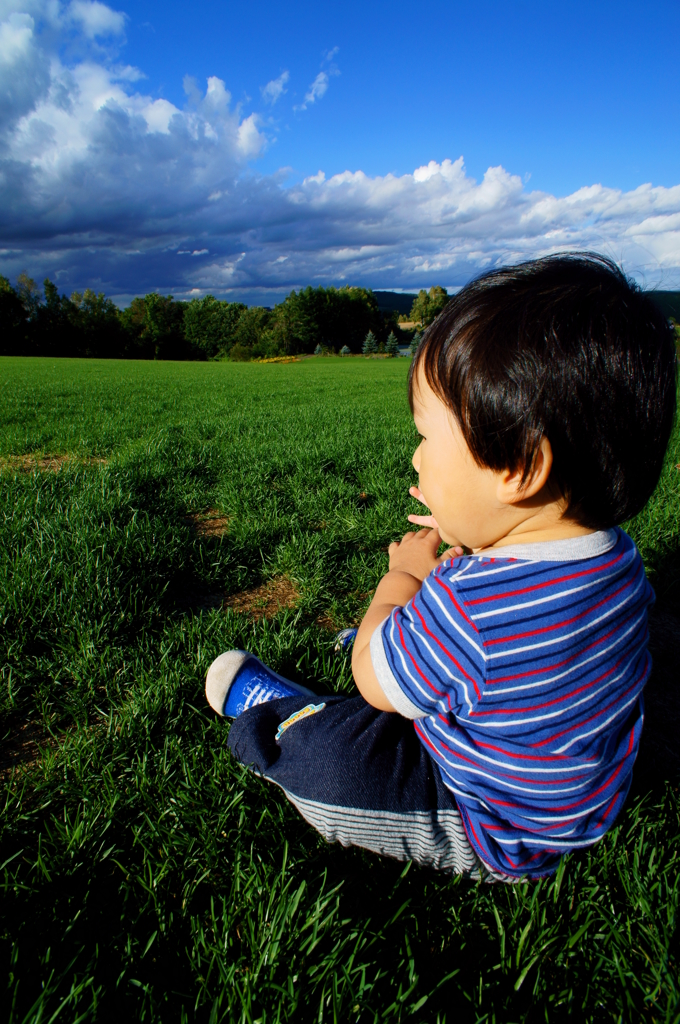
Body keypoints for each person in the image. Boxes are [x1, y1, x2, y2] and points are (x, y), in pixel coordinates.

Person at [205, 254, 677, 881]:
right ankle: (418, 657)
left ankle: (279, 716)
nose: (417, 458)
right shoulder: (616, 557)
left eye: (427, 437)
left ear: (518, 470)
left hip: (490, 819)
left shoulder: (469, 610)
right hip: (584, 794)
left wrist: (402, 579)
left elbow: (369, 680)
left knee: (340, 760)